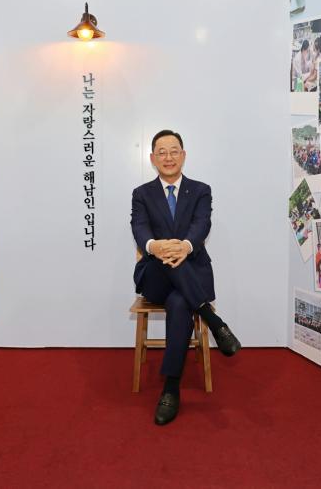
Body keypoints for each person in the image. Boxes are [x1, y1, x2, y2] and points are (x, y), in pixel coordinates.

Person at [131, 130, 241, 426]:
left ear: (183, 155)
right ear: (152, 158)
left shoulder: (201, 190)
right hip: (155, 276)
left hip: (189, 274)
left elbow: (202, 224)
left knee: (180, 303)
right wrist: (155, 247)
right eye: (161, 152)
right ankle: (213, 320)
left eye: (174, 151)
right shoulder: (141, 194)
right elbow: (139, 228)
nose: (168, 157)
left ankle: (170, 389)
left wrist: (186, 246)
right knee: (166, 256)